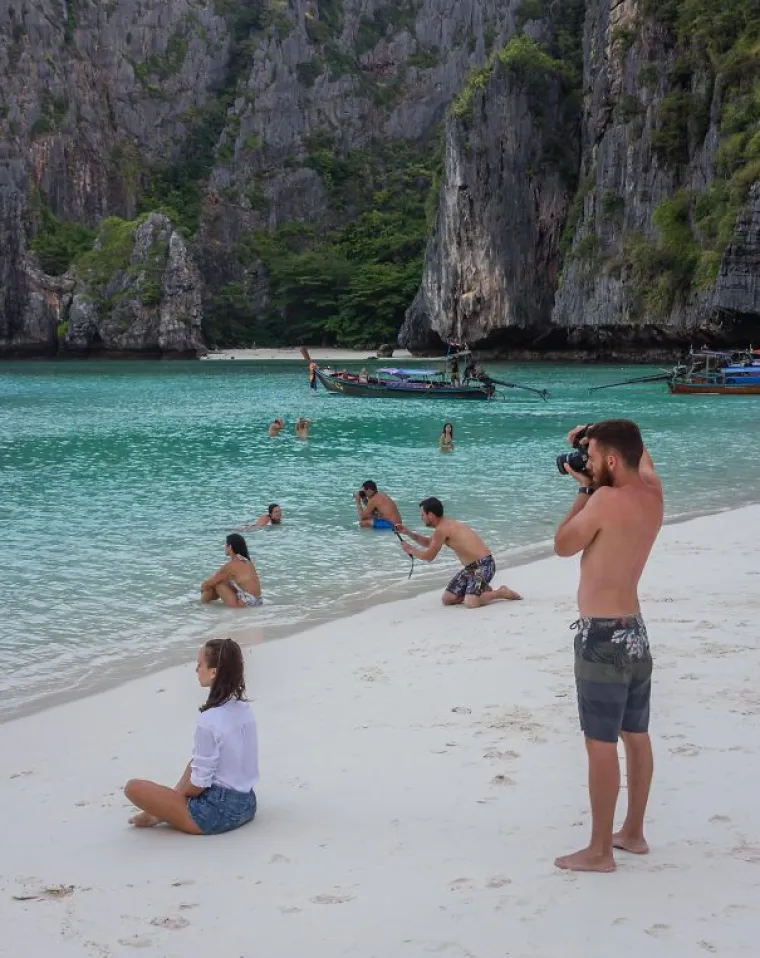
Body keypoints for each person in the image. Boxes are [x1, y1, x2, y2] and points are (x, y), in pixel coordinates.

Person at [553, 419, 663, 874]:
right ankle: (633, 833)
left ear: (612, 460)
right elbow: (640, 453)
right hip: (635, 632)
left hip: (601, 638)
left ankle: (599, 851)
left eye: (594, 457)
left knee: (600, 743)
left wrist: (581, 490)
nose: (588, 463)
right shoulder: (652, 492)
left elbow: (562, 544)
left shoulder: (602, 501)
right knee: (635, 735)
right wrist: (593, 437)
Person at [124, 638, 258, 835]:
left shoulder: (209, 719)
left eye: (200, 665)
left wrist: (175, 800)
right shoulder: (243, 708)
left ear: (214, 672)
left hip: (218, 813)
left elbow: (199, 784)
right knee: (195, 762)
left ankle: (161, 813)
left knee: (133, 788)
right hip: (247, 802)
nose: (196, 670)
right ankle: (165, 810)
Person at [397, 498, 521, 607]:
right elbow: (430, 543)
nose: (421, 518)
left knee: (471, 602)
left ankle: (500, 592)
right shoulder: (444, 525)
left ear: (431, 515)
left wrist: (411, 550)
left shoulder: (442, 529)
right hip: (470, 569)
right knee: (448, 599)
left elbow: (429, 556)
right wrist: (408, 533)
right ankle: (481, 589)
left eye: (422, 515)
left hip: (483, 565)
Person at [201, 533, 262, 607]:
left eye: (226, 545)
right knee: (226, 583)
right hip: (258, 602)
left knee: (217, 584)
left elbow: (209, 583)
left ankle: (201, 606)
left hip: (246, 604)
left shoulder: (231, 565)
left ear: (230, 546)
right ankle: (205, 605)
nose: (225, 547)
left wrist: (203, 588)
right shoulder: (247, 562)